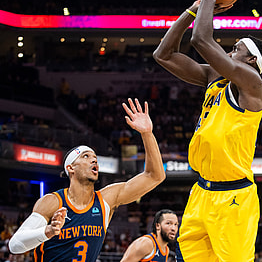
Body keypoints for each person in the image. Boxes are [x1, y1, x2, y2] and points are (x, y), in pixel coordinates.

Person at [153, 0, 262, 261]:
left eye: (236, 50)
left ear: (250, 63)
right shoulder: (214, 78)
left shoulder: (253, 87)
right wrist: (191, 11)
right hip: (200, 193)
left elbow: (201, 40)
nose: (229, 52)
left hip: (234, 197)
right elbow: (163, 54)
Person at [8, 98, 165, 262]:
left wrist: (147, 134)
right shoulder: (52, 202)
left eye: (95, 158)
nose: (94, 160)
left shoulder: (106, 200)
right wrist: (47, 231)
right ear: (70, 168)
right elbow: (15, 245)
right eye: (86, 156)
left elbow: (155, 176)